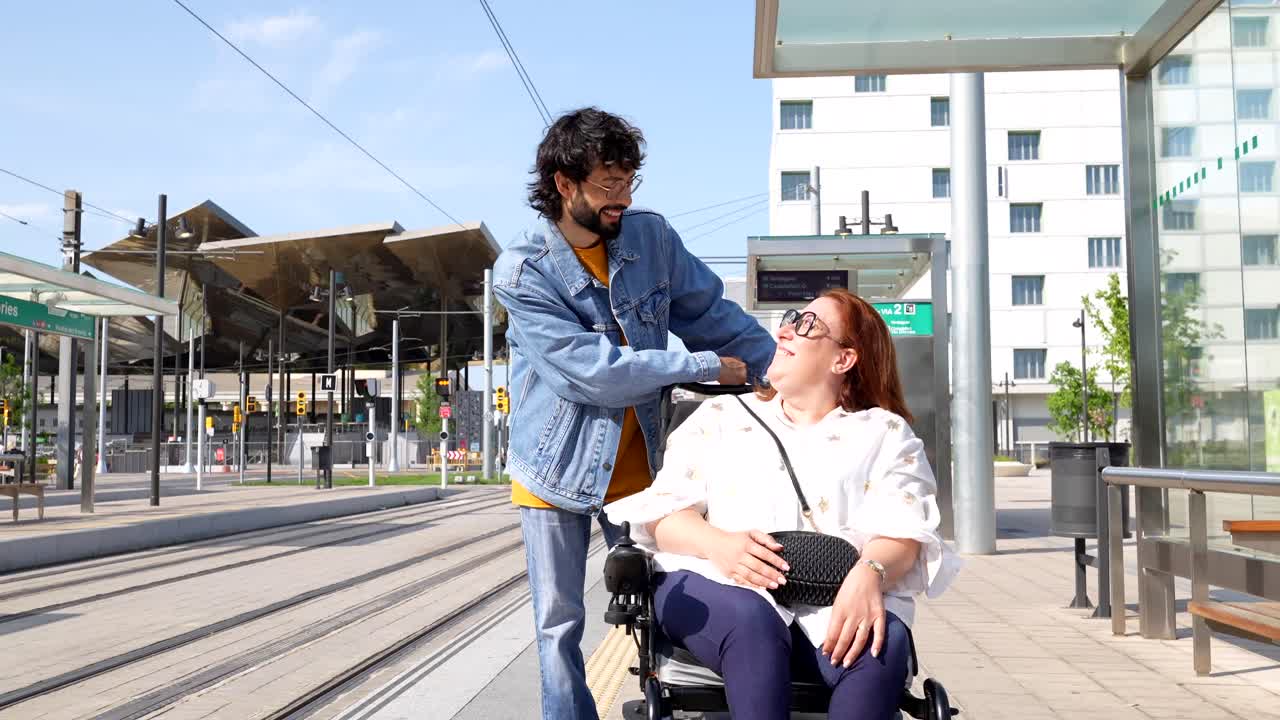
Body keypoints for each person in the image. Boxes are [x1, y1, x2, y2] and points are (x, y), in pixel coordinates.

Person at [492, 107, 777, 720]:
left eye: (628, 182)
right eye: (607, 185)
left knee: (669, 600)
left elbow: (711, 311)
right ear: (564, 185)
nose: (620, 198)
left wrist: (774, 368)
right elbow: (593, 372)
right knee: (558, 624)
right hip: (555, 472)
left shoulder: (651, 238)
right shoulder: (522, 271)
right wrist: (700, 367)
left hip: (642, 467)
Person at [606, 289, 960, 720]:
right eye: (793, 318)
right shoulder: (721, 417)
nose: (786, 329)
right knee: (753, 620)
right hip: (716, 584)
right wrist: (720, 545)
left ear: (843, 360)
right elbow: (662, 516)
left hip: (837, 597)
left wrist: (870, 573)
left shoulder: (885, 433)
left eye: (809, 324)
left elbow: (905, 532)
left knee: (878, 645)